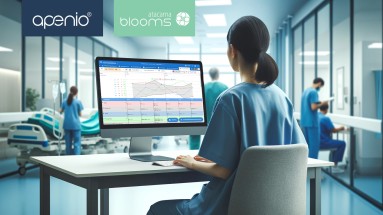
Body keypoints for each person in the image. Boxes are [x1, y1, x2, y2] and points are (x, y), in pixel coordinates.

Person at [147, 16, 306, 215]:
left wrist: (191, 162)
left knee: (157, 209)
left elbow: (224, 171)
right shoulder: (282, 97)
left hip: (227, 205)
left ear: (232, 50)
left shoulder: (231, 99)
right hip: (274, 206)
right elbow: (297, 151)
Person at [189, 67, 228, 149]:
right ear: (218, 75)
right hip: (217, 122)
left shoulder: (203, 87)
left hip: (201, 120)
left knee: (194, 135)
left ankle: (193, 153)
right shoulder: (224, 87)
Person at [300, 78, 328, 159]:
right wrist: (323, 103)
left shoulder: (306, 91)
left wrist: (318, 103)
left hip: (304, 122)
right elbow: (313, 107)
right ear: (319, 83)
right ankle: (313, 168)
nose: (320, 88)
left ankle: (306, 167)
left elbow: (309, 105)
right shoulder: (313, 92)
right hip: (312, 123)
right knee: (314, 147)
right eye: (321, 86)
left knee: (307, 146)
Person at [318, 104, 346, 172]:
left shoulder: (315, 116)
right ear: (326, 109)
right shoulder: (325, 118)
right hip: (324, 142)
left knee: (335, 144)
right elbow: (333, 130)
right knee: (342, 144)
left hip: (315, 143)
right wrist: (342, 128)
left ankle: (332, 163)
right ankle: (334, 166)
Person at [59, 86, 83, 155]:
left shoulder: (64, 101)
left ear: (70, 91)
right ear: (76, 93)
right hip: (76, 126)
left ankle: (68, 159)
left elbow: (61, 111)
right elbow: (80, 114)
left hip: (67, 125)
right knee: (77, 144)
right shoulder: (78, 102)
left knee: (68, 144)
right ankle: (76, 159)